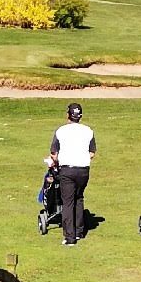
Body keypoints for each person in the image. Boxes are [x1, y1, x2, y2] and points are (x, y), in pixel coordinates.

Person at [50, 102, 95, 246]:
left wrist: (57, 160)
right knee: (79, 198)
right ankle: (79, 231)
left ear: (68, 115)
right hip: (83, 170)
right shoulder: (88, 130)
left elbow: (54, 153)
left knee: (68, 202)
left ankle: (70, 237)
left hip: (67, 170)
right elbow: (92, 153)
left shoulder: (61, 131)